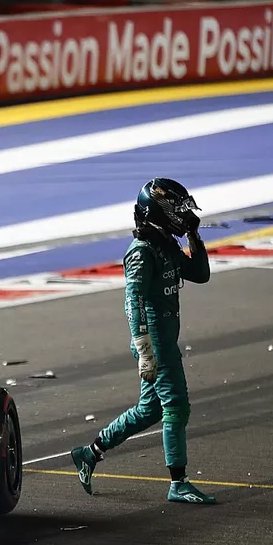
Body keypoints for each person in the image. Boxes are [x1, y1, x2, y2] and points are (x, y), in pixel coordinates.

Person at [71, 177, 215, 504]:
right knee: (176, 406)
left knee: (149, 410)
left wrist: (193, 234)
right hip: (155, 343)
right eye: (176, 212)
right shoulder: (140, 253)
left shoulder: (164, 245)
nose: (180, 217)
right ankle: (178, 482)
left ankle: (89, 453)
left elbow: (200, 273)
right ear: (155, 213)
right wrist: (145, 352)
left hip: (164, 339)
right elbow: (132, 302)